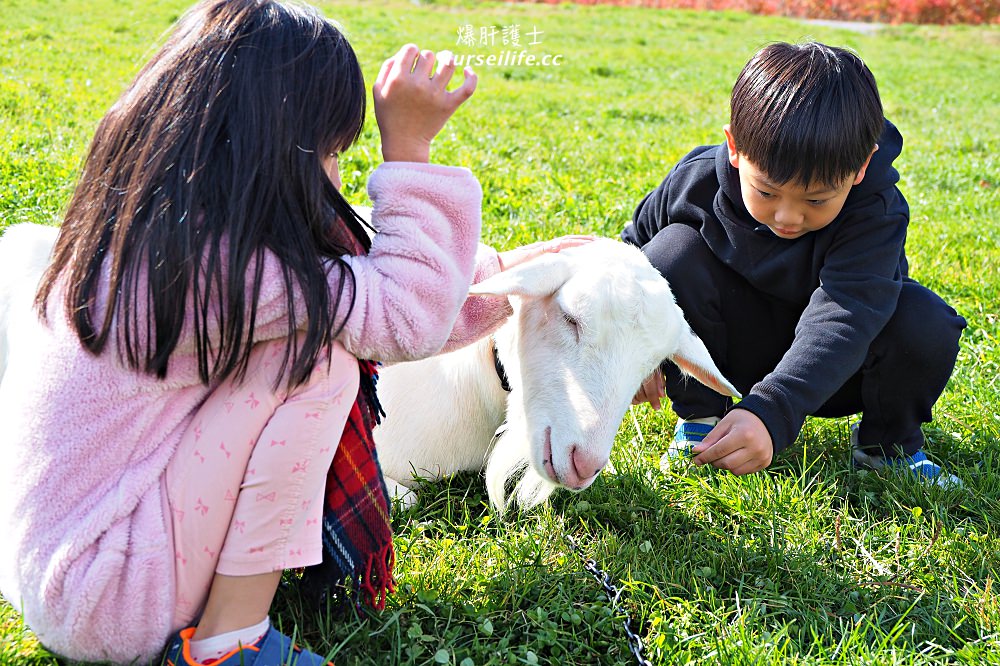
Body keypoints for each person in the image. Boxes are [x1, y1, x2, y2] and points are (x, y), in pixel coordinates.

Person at [0, 1, 589, 664]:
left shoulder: (155, 233)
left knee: (318, 324)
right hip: (109, 597)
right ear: (271, 154)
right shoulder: (224, 276)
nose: (338, 175)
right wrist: (410, 151)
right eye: (332, 152)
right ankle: (232, 643)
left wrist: (506, 276)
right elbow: (397, 315)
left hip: (64, 567)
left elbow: (370, 291)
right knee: (317, 362)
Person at [625, 42, 966, 487]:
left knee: (925, 322)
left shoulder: (876, 210)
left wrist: (773, 409)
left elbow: (848, 311)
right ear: (734, 147)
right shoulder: (695, 182)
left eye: (817, 199)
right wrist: (635, 343)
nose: (788, 216)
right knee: (667, 255)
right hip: (723, 357)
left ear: (859, 168)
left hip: (835, 370)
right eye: (766, 192)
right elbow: (628, 255)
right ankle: (702, 421)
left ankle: (887, 447)